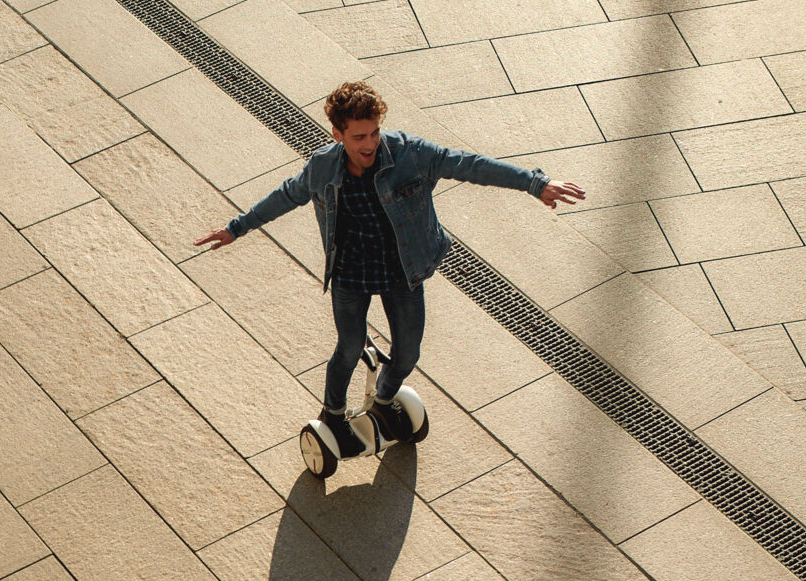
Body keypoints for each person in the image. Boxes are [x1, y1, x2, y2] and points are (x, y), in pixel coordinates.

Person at [195, 81, 585, 455]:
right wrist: (236, 228)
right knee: (349, 347)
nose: (369, 145)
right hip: (351, 272)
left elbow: (471, 166)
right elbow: (286, 196)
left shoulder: (411, 154)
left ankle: (382, 399)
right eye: (358, 137)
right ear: (338, 134)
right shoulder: (323, 168)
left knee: (408, 354)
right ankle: (332, 414)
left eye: (374, 133)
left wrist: (535, 184)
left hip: (403, 270)